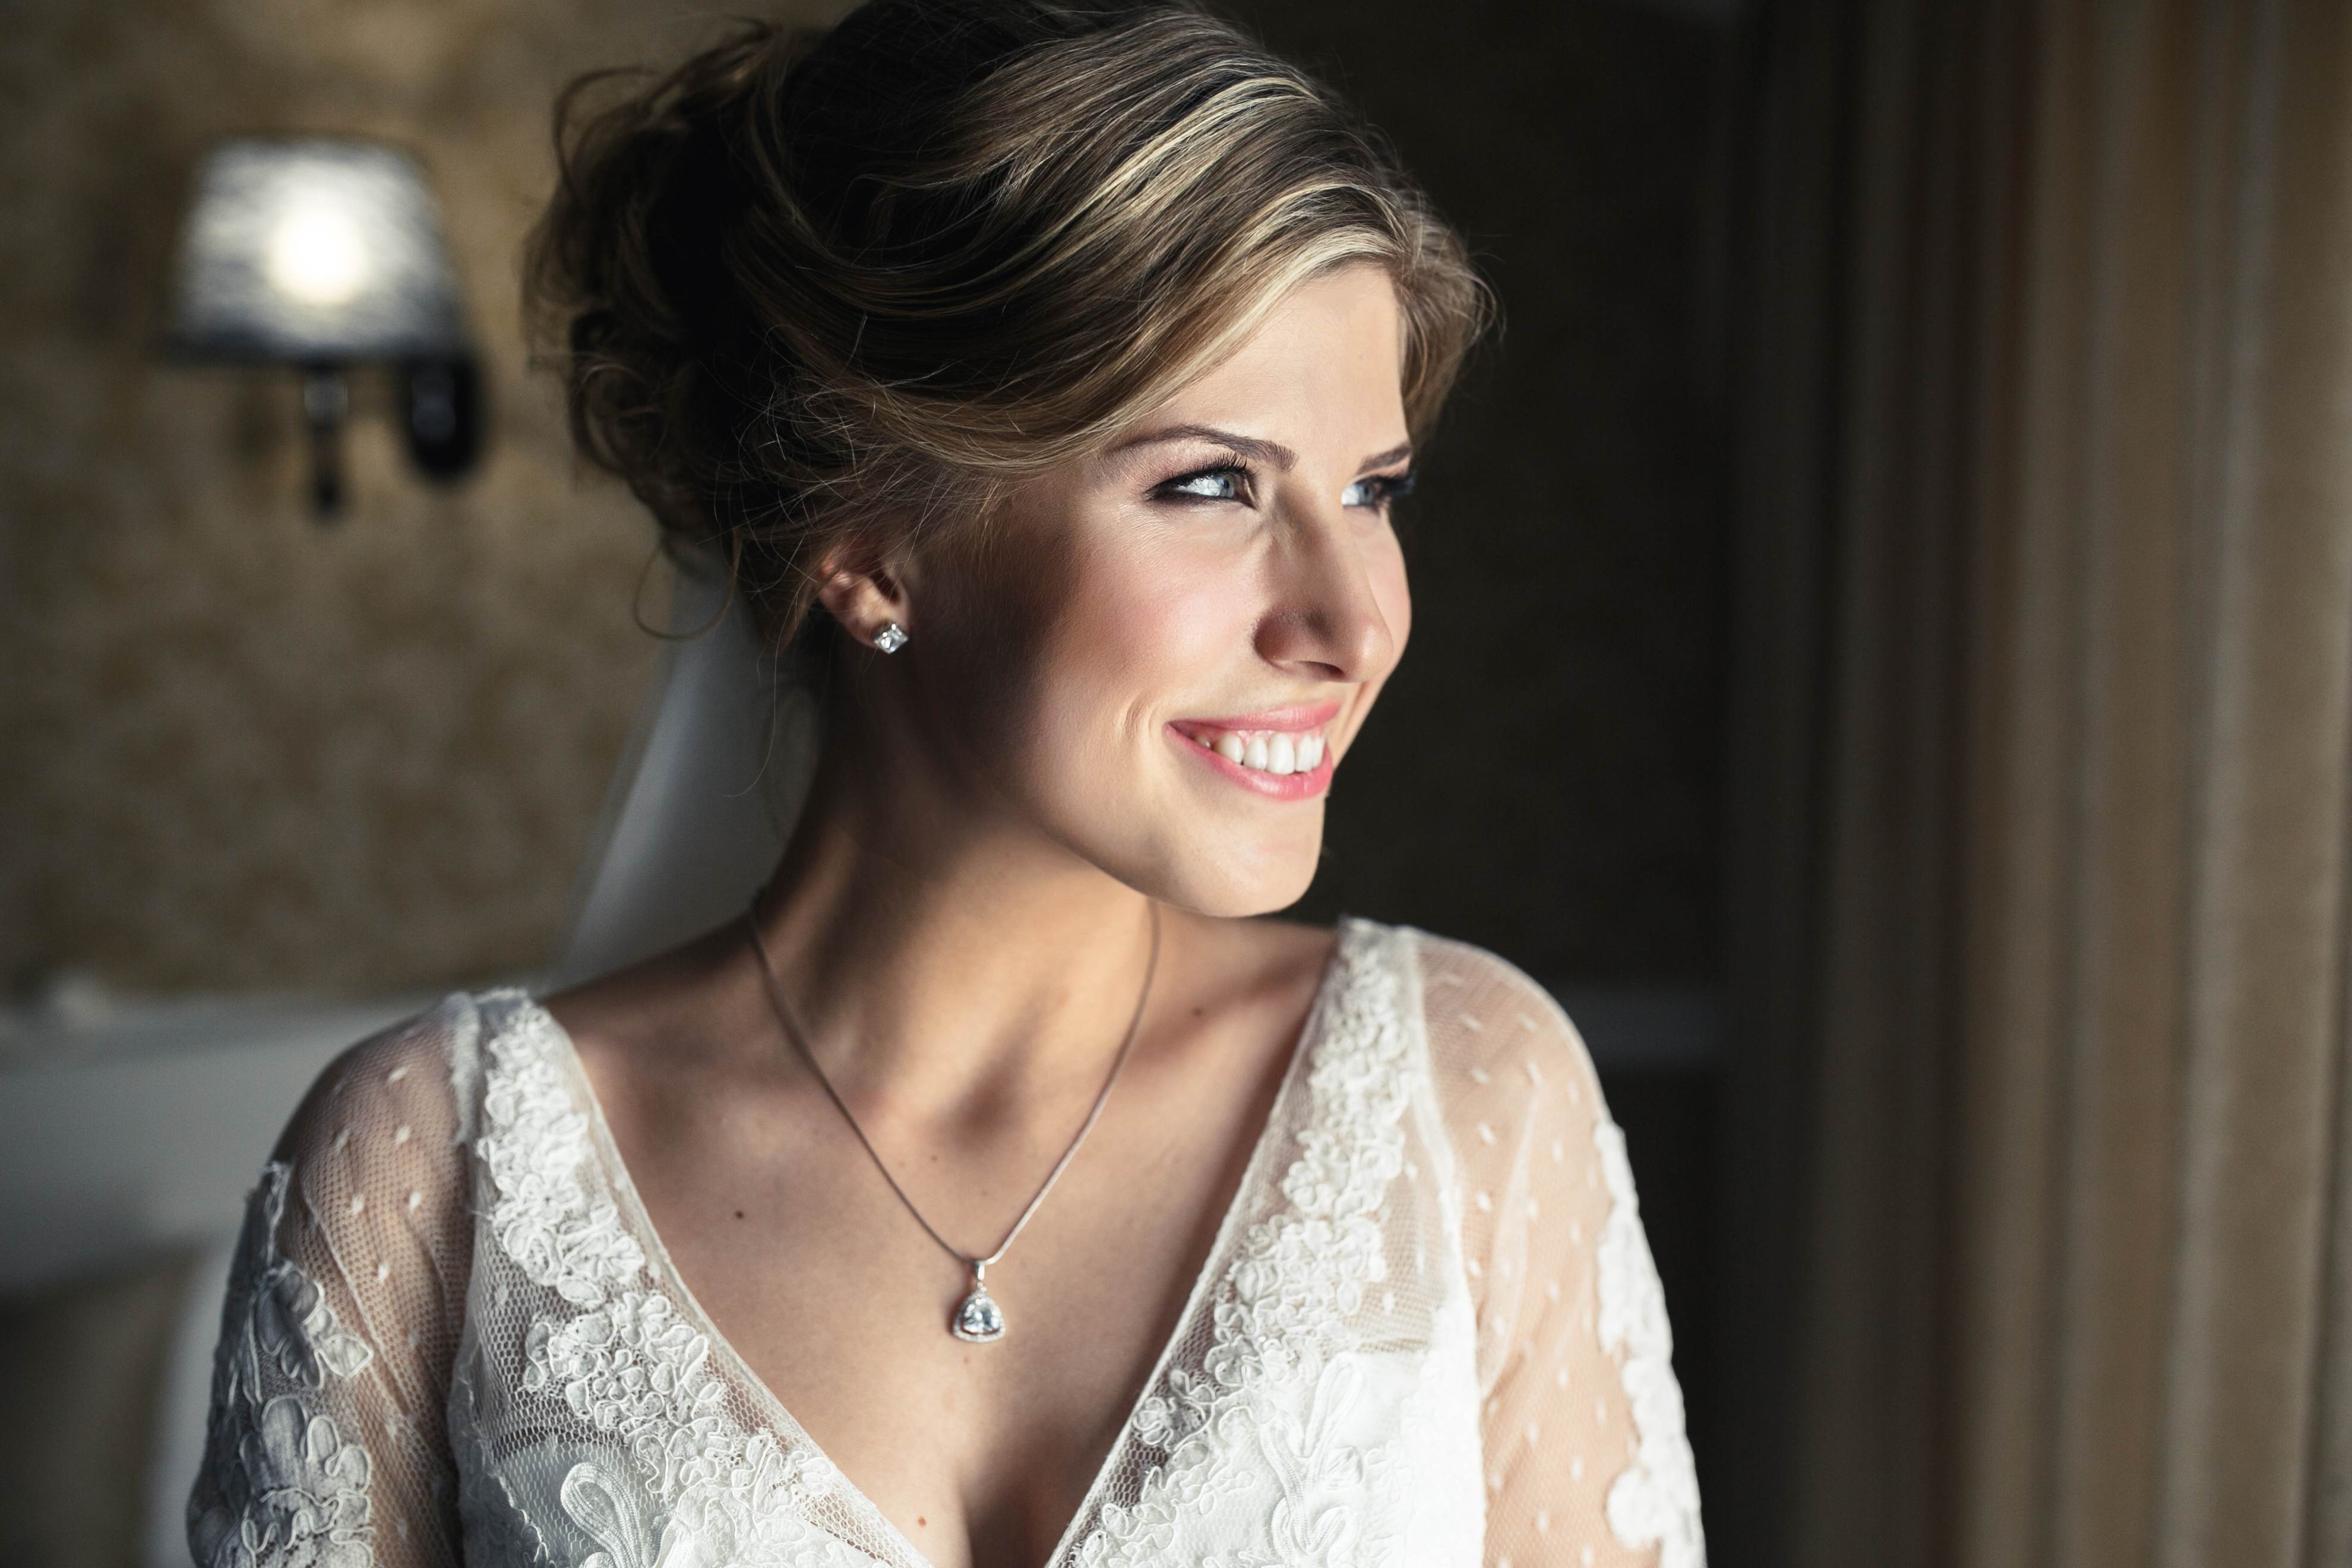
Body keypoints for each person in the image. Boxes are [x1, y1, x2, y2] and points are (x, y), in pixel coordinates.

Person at [185, 3, 1703, 1565]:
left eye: (1372, 490)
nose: (1353, 619)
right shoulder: (432, 1166)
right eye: (1211, 485)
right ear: (869, 547)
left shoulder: (1471, 1092)